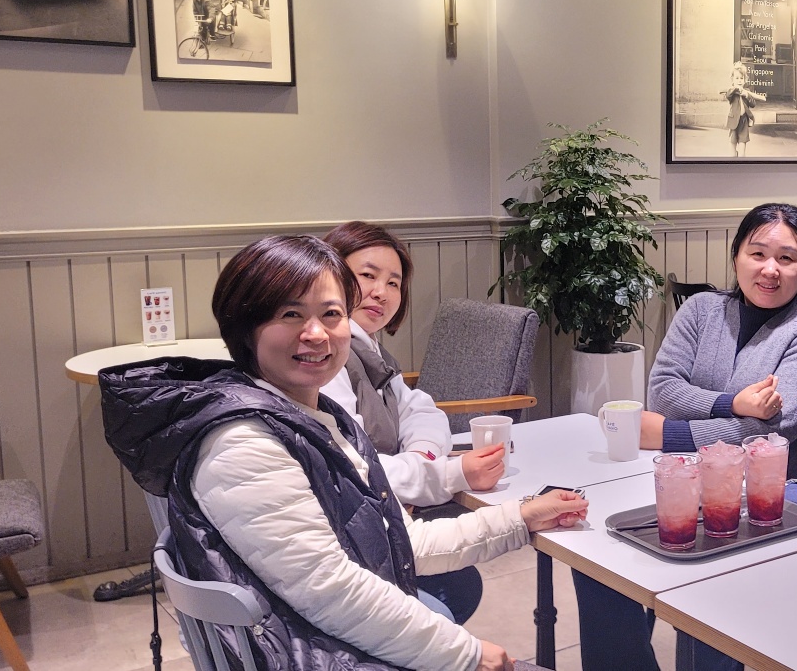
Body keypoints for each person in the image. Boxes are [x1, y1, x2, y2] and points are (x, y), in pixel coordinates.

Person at [102, 235, 587, 671]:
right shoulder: (241, 441)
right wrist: (466, 654)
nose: (316, 333)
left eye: (331, 314)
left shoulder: (315, 417)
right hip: (306, 650)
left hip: (319, 637)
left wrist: (520, 517)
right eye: (290, 314)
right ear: (245, 327)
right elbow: (331, 590)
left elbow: (399, 541)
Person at [575, 203, 797, 671]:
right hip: (681, 489)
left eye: (787, 258)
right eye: (757, 253)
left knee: (707, 608)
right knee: (596, 562)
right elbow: (664, 390)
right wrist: (733, 403)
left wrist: (668, 435)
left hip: (772, 510)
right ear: (736, 255)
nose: (770, 269)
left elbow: (772, 433)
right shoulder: (701, 310)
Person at [319, 220, 509, 624]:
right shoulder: (327, 359)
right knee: (452, 591)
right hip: (342, 548)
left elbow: (421, 410)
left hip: (374, 524)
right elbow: (355, 472)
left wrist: (422, 458)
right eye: (367, 275)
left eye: (394, 282)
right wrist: (451, 473)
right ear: (328, 276)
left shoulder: (371, 352)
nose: (381, 292)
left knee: (460, 582)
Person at [723, 61, 765, 157]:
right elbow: (728, 96)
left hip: (743, 121)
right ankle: (734, 156)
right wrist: (735, 89)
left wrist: (746, 95)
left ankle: (741, 158)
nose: (739, 81)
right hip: (733, 121)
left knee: (742, 148)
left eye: (741, 78)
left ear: (745, 80)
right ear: (732, 80)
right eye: (737, 78)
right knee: (732, 147)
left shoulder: (747, 92)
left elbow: (753, 104)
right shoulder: (731, 92)